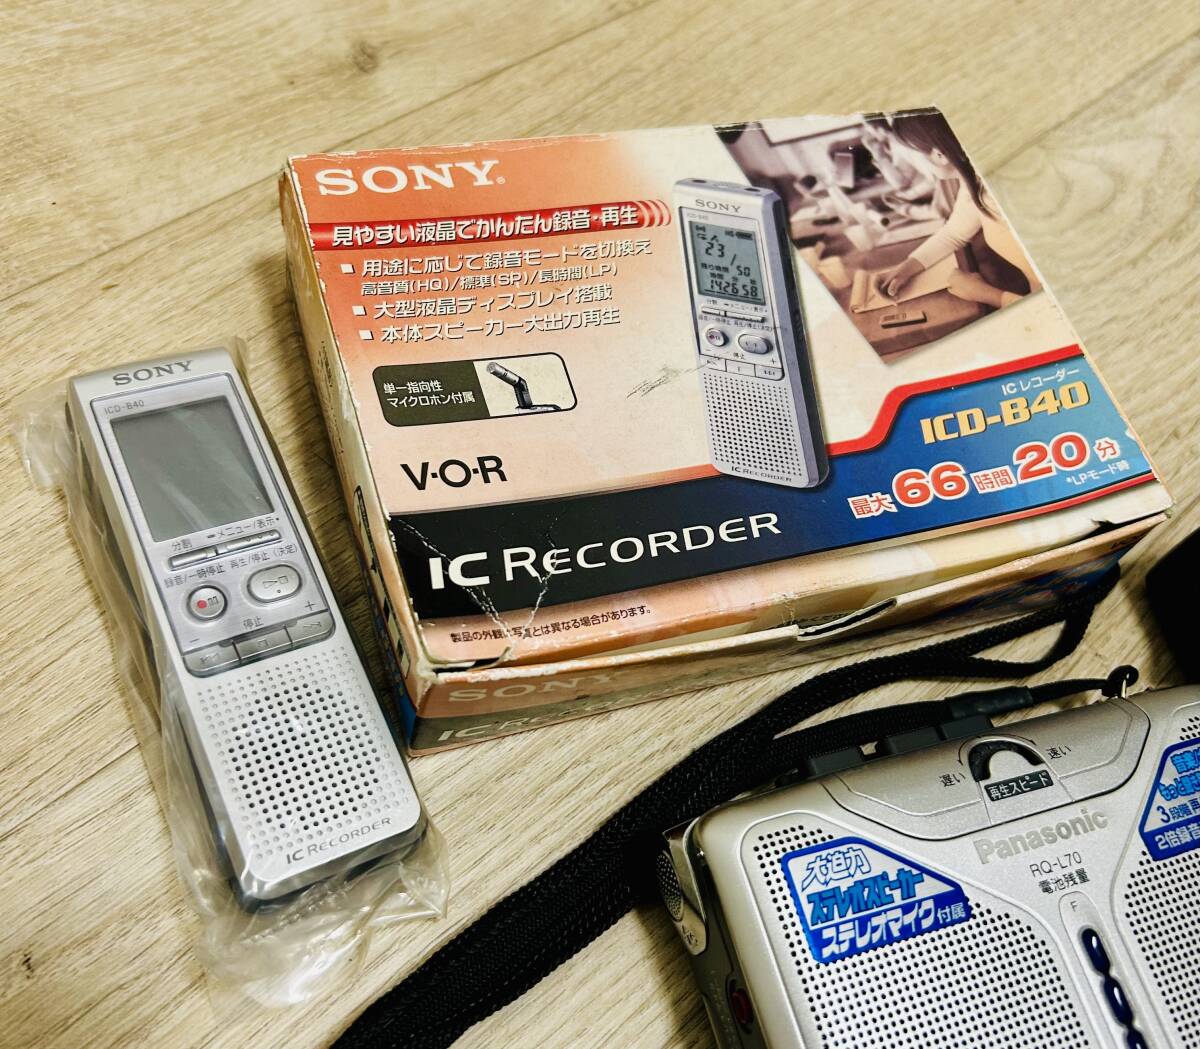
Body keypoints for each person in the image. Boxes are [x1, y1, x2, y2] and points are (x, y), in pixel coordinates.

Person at [873, 111, 1040, 309]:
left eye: (915, 153)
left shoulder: (1010, 195)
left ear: (939, 155)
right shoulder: (975, 180)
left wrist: (986, 294)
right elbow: (954, 233)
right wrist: (905, 269)